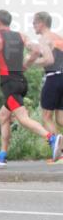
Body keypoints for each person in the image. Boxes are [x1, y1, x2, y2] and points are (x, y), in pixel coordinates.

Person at [0, 10, 61, 165]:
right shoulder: (21, 35)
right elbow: (36, 50)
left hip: (9, 84)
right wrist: (26, 65)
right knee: (3, 116)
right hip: (21, 81)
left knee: (22, 118)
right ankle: (2, 155)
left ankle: (51, 138)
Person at [27, 11, 63, 145]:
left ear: (42, 23)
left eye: (35, 23)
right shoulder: (59, 38)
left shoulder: (44, 39)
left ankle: (59, 152)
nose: (33, 25)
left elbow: (49, 60)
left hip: (53, 78)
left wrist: (30, 62)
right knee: (60, 119)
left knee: (46, 117)